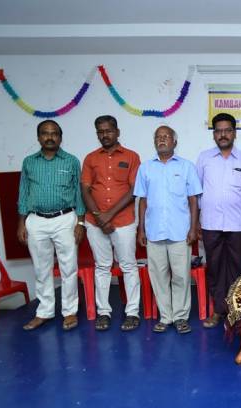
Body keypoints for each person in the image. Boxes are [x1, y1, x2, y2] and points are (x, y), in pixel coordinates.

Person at [18, 120, 86, 331]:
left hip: (65, 219)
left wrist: (80, 222)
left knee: (68, 268)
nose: (50, 137)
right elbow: (23, 194)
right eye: (45, 133)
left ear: (60, 137)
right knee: (41, 269)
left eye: (54, 133)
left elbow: (79, 193)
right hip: (36, 220)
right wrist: (21, 223)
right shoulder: (29, 162)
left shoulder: (71, 161)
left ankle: (70, 311)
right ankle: (44, 312)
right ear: (38, 137)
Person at [134, 126, 202, 334]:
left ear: (175, 142)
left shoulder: (187, 166)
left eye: (166, 137)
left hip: (180, 232)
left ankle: (180, 317)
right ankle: (165, 317)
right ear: (154, 141)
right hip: (154, 232)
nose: (162, 140)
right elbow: (142, 200)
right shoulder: (145, 168)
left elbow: (193, 199)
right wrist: (141, 229)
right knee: (158, 277)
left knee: (181, 276)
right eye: (158, 137)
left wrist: (193, 228)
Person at [80, 115, 142, 331]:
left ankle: (132, 312)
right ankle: (103, 312)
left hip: (123, 221)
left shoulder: (132, 157)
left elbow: (134, 190)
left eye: (108, 131)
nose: (104, 135)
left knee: (128, 266)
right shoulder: (90, 158)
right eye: (100, 131)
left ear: (117, 132)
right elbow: (85, 190)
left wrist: (109, 215)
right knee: (102, 266)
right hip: (95, 222)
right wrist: (99, 216)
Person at [196, 113, 241, 329]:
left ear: (234, 133)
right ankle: (219, 311)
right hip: (210, 223)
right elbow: (197, 192)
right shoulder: (204, 158)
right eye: (219, 131)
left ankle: (237, 309)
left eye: (227, 130)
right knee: (215, 267)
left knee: (237, 268)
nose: (223, 134)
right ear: (214, 135)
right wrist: (198, 221)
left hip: (238, 223)